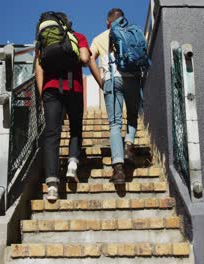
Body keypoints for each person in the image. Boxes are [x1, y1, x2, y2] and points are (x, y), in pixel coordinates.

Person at [35, 12, 90, 201]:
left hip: (51, 90)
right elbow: (84, 59)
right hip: (73, 88)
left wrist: (42, 95)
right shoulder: (79, 37)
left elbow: (39, 68)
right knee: (75, 128)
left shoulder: (43, 41)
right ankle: (72, 165)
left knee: (52, 134)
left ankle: (51, 186)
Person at [88, 8, 141, 184]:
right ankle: (129, 145)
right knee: (133, 115)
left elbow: (89, 59)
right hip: (132, 78)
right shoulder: (133, 32)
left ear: (107, 22)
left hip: (112, 79)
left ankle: (118, 170)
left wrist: (100, 81)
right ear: (123, 19)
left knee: (115, 124)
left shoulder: (99, 37)